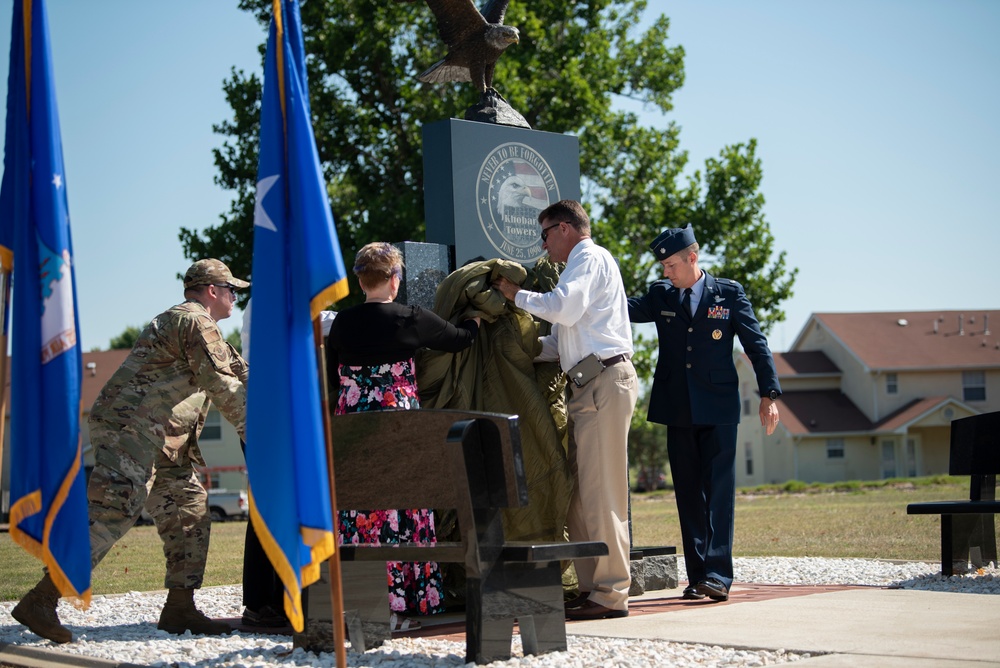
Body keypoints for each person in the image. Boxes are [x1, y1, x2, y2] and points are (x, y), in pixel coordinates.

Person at [12, 259, 250, 643]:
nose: (234, 297)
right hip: (133, 429)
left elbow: (241, 373)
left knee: (189, 507)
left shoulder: (204, 330)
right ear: (211, 290)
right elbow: (225, 386)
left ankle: (180, 607)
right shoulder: (193, 321)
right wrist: (257, 435)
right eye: (230, 289)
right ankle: (42, 599)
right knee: (115, 509)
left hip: (163, 439)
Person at [493, 199, 638, 621]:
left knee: (602, 493)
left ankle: (612, 594)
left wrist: (513, 295)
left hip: (602, 383)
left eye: (544, 235)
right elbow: (559, 343)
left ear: (565, 229)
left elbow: (563, 308)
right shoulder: (580, 265)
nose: (543, 246)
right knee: (579, 496)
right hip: (588, 384)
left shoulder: (588, 258)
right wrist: (510, 347)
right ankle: (594, 587)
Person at [325, 241, 480, 629]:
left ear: (361, 281)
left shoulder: (342, 324)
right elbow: (460, 340)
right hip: (400, 431)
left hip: (355, 432)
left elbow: (331, 380)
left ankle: (365, 598)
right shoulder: (410, 317)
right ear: (395, 280)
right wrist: (477, 319)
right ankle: (410, 598)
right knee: (406, 507)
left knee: (362, 512)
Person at [627, 225, 781, 602]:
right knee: (687, 495)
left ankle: (717, 574)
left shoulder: (728, 294)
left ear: (692, 258)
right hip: (676, 408)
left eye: (671, 264)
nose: (666, 271)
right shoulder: (661, 295)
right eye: (663, 265)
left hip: (718, 408)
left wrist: (769, 393)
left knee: (719, 493)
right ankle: (697, 577)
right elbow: (622, 308)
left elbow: (755, 343)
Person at [237, 299, 336, 628]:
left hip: (269, 410)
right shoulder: (277, 291)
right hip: (275, 412)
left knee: (277, 508)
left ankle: (276, 600)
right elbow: (320, 325)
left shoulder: (272, 289)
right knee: (269, 509)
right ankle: (261, 603)